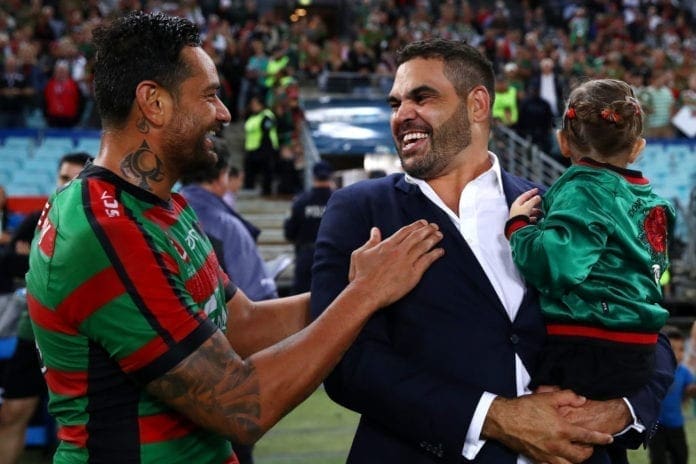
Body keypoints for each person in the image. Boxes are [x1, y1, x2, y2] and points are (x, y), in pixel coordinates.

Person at [25, 12, 444, 464]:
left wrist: (359, 287)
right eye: (209, 96)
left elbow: (241, 324)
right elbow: (240, 405)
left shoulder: (162, 206)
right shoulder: (108, 232)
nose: (224, 113)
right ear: (153, 103)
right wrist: (364, 296)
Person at [310, 38, 676, 464]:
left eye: (422, 97)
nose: (402, 114)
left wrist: (619, 411)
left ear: (477, 104)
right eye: (396, 103)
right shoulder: (359, 209)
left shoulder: (559, 203)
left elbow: (647, 326)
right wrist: (495, 417)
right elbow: (346, 363)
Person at [506, 79, 675, 404]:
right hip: (641, 349)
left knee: (548, 418)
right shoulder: (655, 205)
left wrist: (519, 228)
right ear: (637, 148)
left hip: (587, 344)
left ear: (563, 142)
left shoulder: (582, 190)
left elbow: (556, 266)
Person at [0, 152, 92, 464]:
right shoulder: (37, 219)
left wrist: (35, 257)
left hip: (81, 337)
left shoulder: (103, 225)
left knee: (78, 427)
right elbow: (8, 264)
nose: (67, 184)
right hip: (33, 329)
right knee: (12, 412)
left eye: (76, 178)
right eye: (64, 177)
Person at [180, 155, 278, 303]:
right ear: (221, 176)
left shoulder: (165, 214)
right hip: (223, 313)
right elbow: (258, 297)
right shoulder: (227, 226)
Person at [283, 160, 335, 295]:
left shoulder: (301, 201)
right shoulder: (339, 200)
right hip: (332, 256)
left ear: (313, 177)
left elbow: (289, 232)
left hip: (306, 256)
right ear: (330, 176)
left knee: (300, 297)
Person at [648, 326, 696, 464]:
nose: (678, 354)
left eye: (681, 349)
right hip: (655, 427)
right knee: (658, 459)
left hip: (676, 425)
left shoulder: (684, 372)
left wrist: (691, 391)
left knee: (681, 456)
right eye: (673, 349)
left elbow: (691, 391)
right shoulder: (652, 371)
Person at [243, 95, 279, 196]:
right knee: (250, 171)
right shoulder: (252, 116)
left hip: (265, 146)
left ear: (261, 104)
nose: (252, 106)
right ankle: (249, 189)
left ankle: (267, 191)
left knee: (266, 170)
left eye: (255, 104)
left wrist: (262, 148)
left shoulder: (267, 115)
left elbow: (266, 131)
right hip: (251, 147)